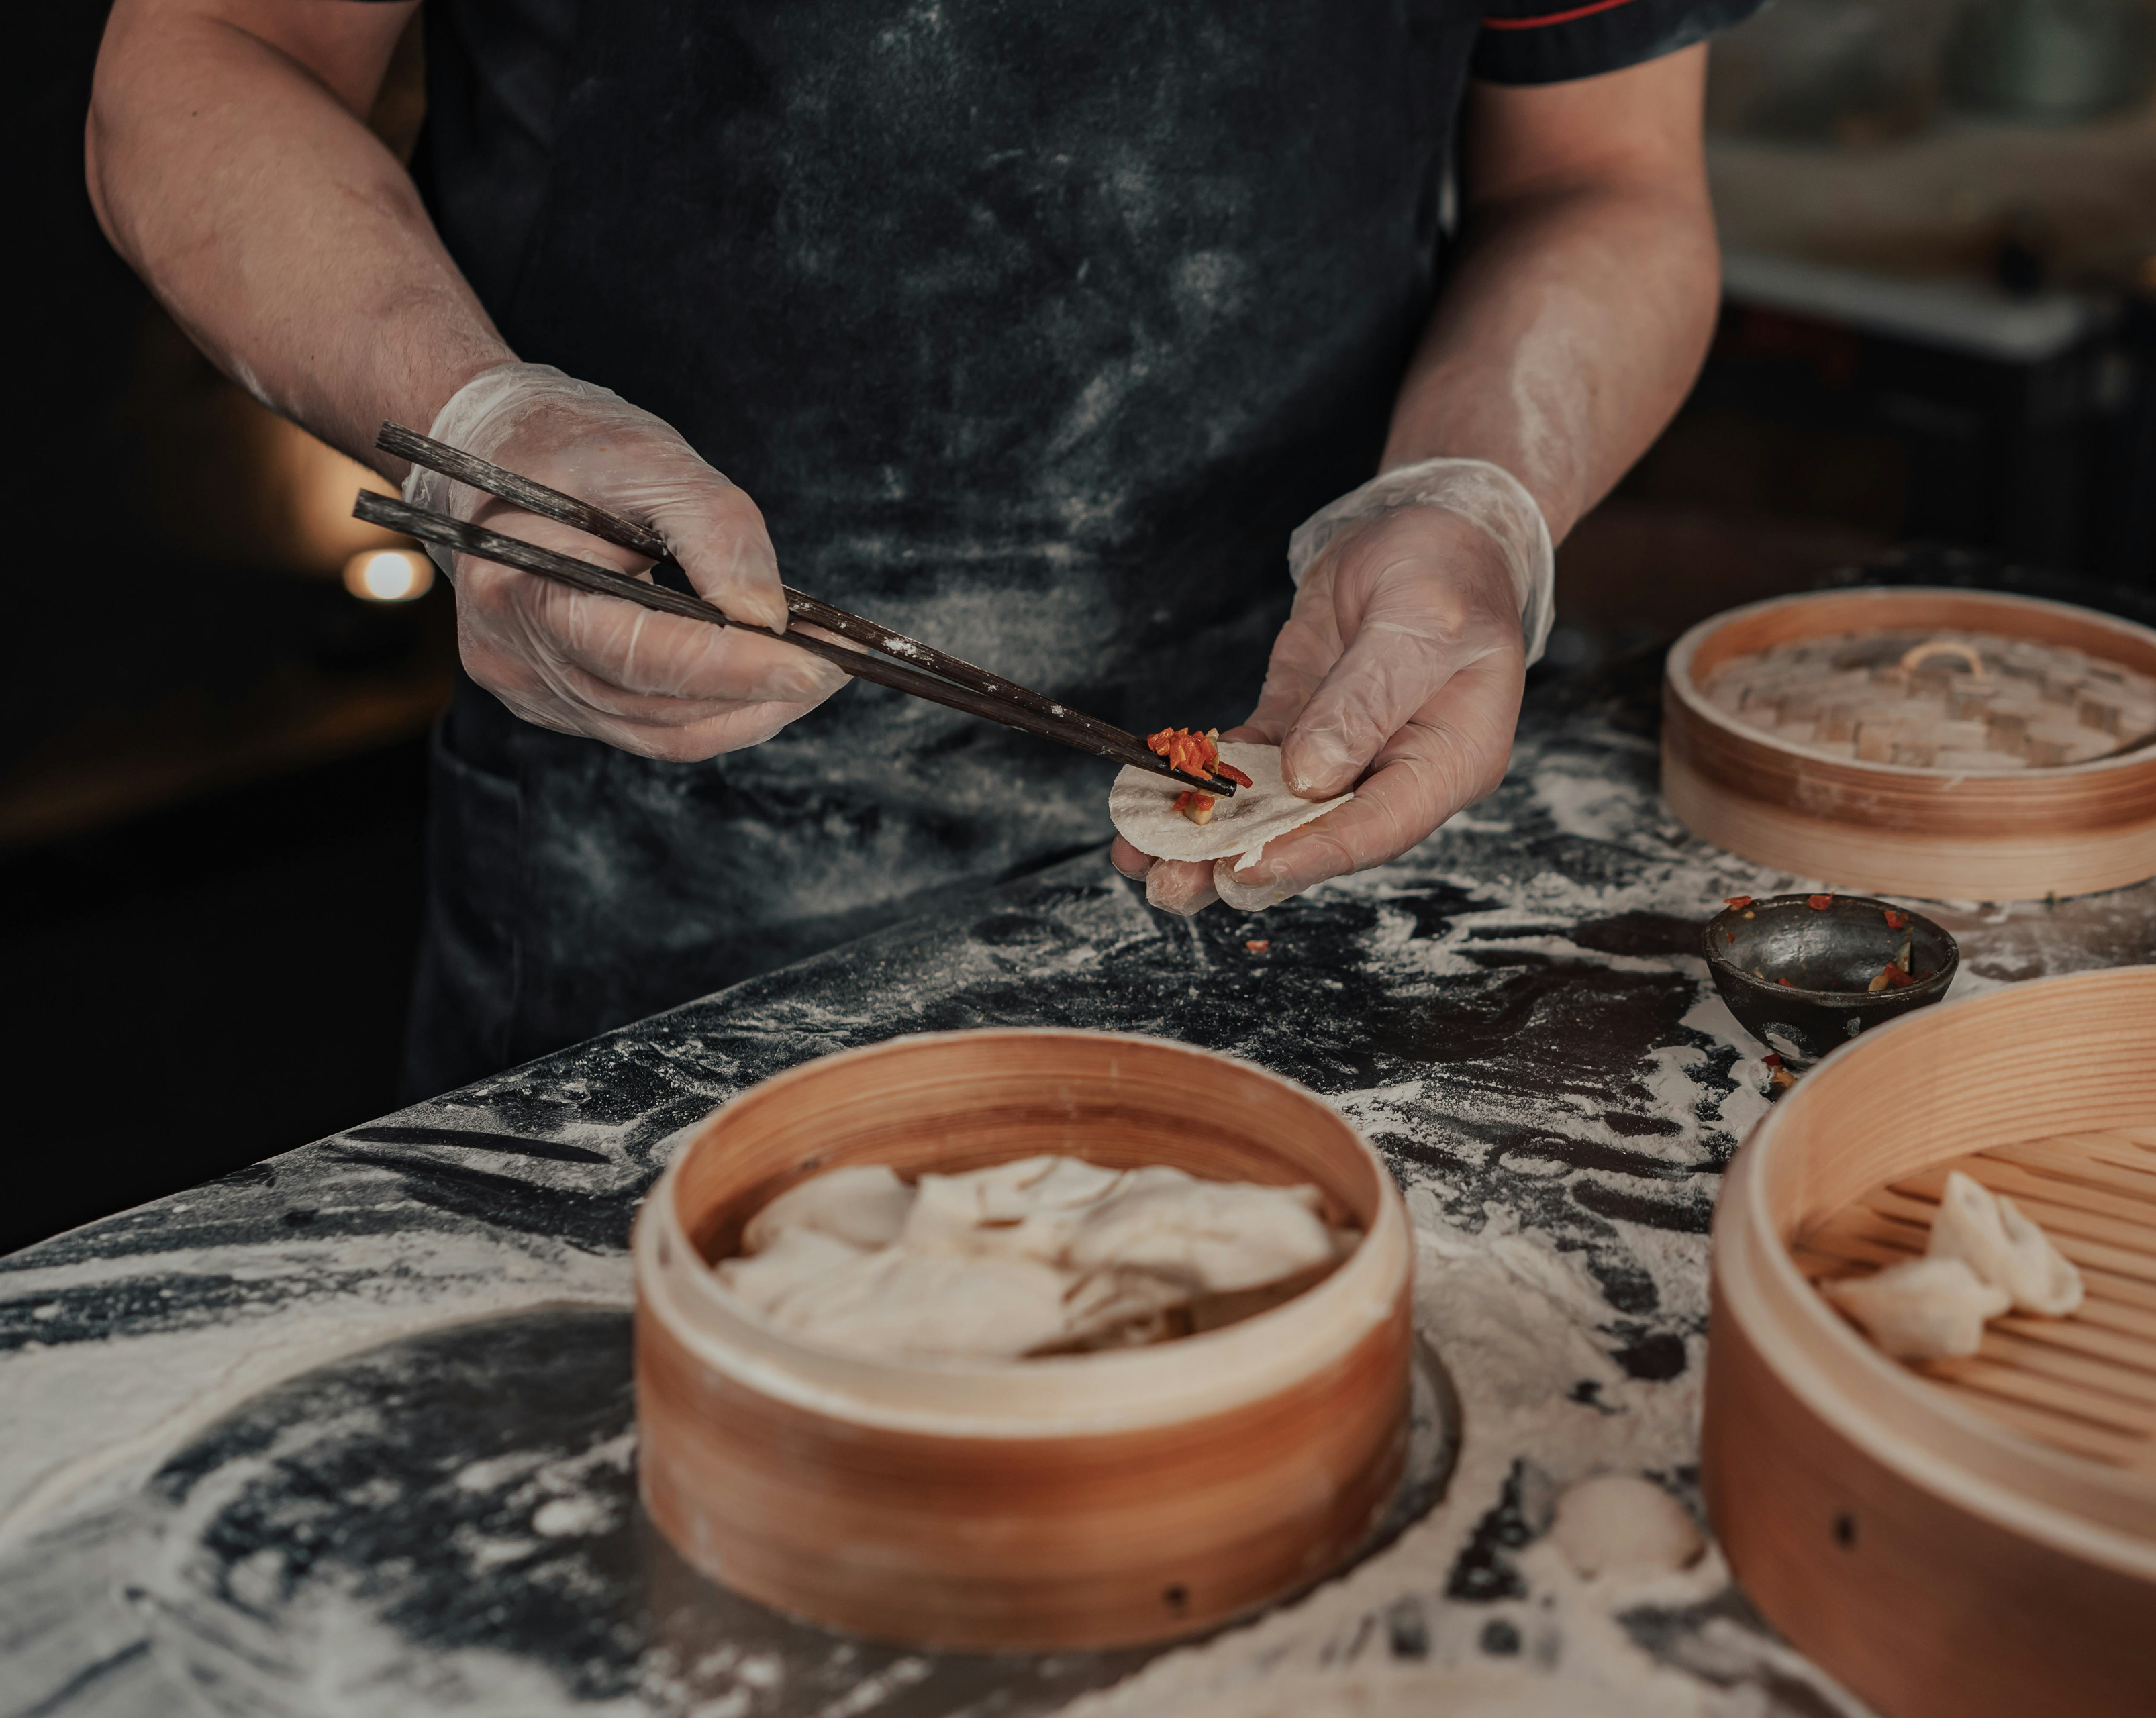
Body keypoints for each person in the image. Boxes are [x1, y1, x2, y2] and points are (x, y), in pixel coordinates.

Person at [89, 0, 1755, 1097]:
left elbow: (1602, 181)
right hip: (659, 871)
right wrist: (480, 434)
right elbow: (208, 56)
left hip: (1303, 812)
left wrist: (1475, 499)